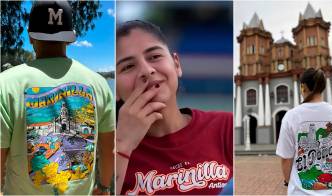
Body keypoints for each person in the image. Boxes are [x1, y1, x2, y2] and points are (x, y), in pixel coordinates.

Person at [0, 1, 114, 194]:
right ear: (70, 39)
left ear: (30, 36)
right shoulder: (98, 83)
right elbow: (109, 149)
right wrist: (103, 186)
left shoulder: (5, 83)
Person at [115, 20, 233, 195]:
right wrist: (122, 146)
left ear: (176, 64)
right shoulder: (103, 150)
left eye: (154, 57)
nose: (147, 71)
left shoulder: (226, 127)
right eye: (128, 66)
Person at [276, 68, 332, 195]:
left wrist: (289, 182)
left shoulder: (291, 116)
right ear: (323, 87)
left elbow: (286, 159)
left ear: (303, 87)